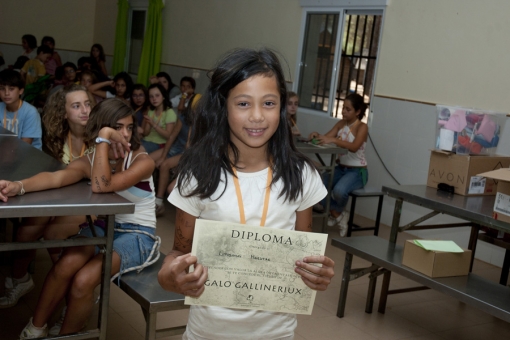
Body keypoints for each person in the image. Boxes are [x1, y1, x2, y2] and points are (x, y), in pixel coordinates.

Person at [157, 48, 335, 340]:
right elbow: (178, 253)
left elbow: (307, 257)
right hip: (207, 333)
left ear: (281, 108)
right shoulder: (200, 173)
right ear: (223, 106)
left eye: (268, 103)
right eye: (242, 103)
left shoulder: (302, 176)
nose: (256, 116)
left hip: (276, 334)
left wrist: (317, 274)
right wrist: (170, 276)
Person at [0, 98, 160, 338]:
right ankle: (35, 329)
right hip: (105, 228)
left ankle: (67, 335)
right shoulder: (92, 160)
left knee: (84, 280)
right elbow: (55, 178)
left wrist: (105, 138)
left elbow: (102, 185)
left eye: (128, 127)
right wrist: (17, 186)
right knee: (66, 264)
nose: (125, 134)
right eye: (116, 127)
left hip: (138, 235)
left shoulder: (141, 161)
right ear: (100, 129)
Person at [0, 85, 93, 320]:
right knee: (27, 230)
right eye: (76, 105)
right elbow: (53, 176)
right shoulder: (56, 138)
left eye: (87, 104)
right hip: (60, 196)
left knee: (54, 235)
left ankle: (71, 300)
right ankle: (21, 280)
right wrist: (17, 186)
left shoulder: (100, 138)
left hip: (91, 203)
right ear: (63, 113)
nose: (85, 110)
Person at [308, 93, 368, 236]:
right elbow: (327, 137)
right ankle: (338, 214)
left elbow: (354, 147)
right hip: (341, 168)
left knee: (339, 191)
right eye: (343, 108)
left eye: (348, 109)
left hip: (357, 172)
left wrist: (334, 140)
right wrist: (316, 135)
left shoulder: (362, 127)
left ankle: (335, 213)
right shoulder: (341, 123)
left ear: (358, 112)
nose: (343, 112)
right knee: (316, 185)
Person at [152, 96, 195, 216]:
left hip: (187, 153)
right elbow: (172, 137)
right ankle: (148, 198)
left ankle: (158, 201)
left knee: (165, 165)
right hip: (175, 147)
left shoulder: (204, 122)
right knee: (149, 160)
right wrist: (163, 155)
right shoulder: (183, 118)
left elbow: (189, 147)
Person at [0, 69, 42, 149]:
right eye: (2, 89)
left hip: (27, 155)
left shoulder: (30, 112)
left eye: (11, 89)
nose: (6, 93)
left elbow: (25, 145)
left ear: (21, 91)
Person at [141, 83, 176, 154]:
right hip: (146, 140)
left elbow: (168, 135)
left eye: (157, 95)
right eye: (151, 96)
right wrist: (144, 126)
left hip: (160, 143)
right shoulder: (151, 111)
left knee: (137, 150)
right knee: (130, 146)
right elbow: (146, 133)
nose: (154, 99)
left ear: (163, 96)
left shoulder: (169, 112)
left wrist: (153, 124)